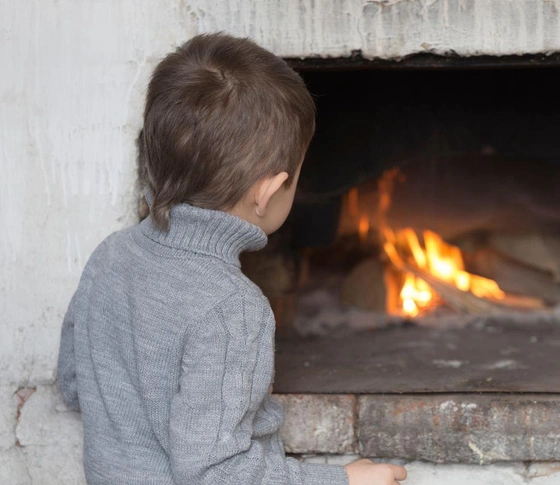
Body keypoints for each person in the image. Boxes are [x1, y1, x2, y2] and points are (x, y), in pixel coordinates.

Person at [57, 32, 407, 485]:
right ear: (266, 192)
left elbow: (74, 382)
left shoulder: (110, 256)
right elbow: (215, 474)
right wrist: (340, 479)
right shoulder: (231, 309)